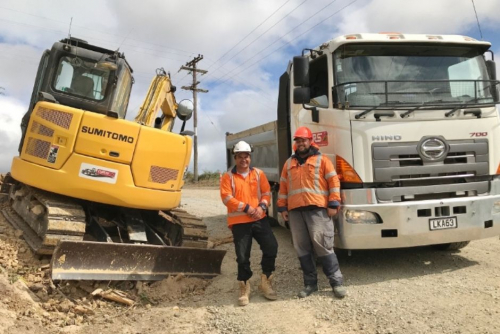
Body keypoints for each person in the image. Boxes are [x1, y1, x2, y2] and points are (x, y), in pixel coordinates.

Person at [277, 126, 346, 299]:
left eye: (303, 140)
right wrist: (282, 207)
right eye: (298, 140)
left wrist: (333, 202)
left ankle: (336, 283)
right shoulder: (289, 163)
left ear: (310, 141)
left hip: (318, 210)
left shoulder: (322, 160)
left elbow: (333, 182)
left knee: (323, 246)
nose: (301, 143)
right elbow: (283, 186)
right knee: (302, 249)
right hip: (295, 212)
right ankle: (310, 284)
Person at [220, 140, 279, 306]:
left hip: (259, 218)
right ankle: (244, 285)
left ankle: (265, 281)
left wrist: (262, 206)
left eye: (246, 157)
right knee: (242, 255)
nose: (243, 160)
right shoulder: (228, 177)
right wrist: (246, 208)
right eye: (240, 157)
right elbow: (226, 197)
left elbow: (266, 193)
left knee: (271, 247)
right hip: (239, 222)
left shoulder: (259, 174)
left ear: (250, 158)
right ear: (235, 158)